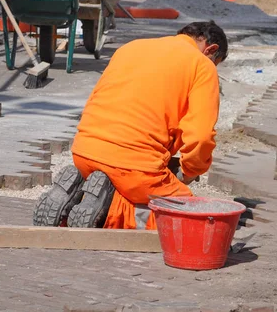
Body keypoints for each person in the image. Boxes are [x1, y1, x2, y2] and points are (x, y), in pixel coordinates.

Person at [33, 20, 228, 230]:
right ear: (211, 49)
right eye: (216, 62)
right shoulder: (201, 64)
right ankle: (109, 209)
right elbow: (200, 136)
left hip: (84, 153)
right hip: (133, 168)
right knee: (191, 221)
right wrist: (191, 170)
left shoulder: (130, 48)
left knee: (127, 181)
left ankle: (84, 194)